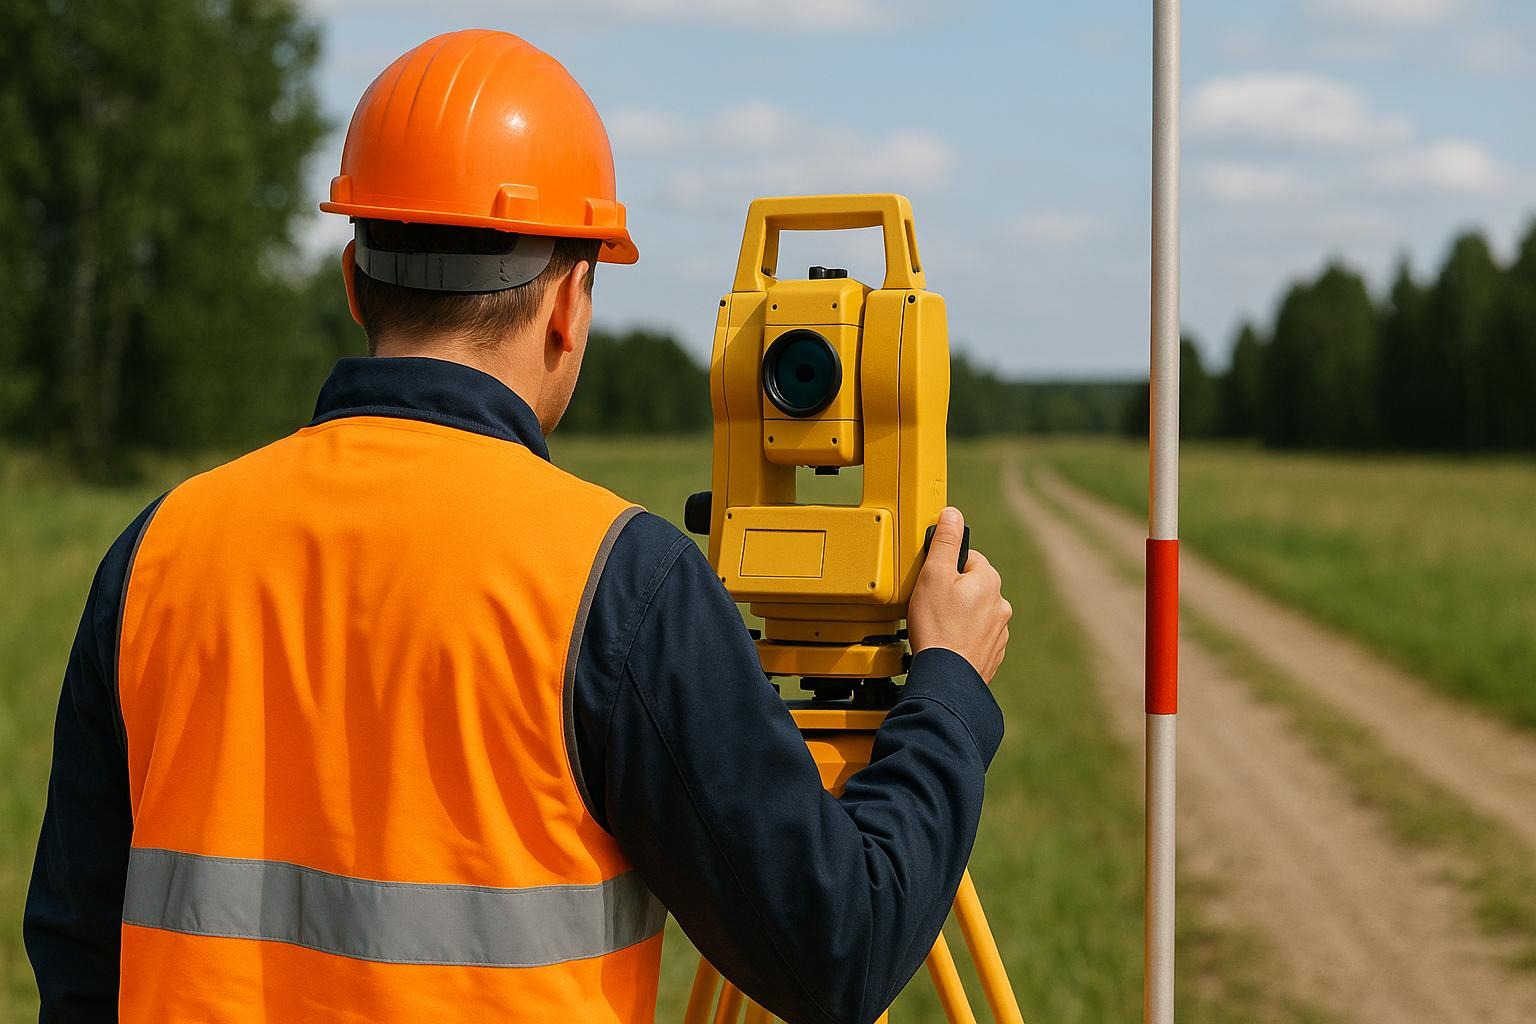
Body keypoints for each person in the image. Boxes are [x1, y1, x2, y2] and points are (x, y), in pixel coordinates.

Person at [24, 29, 1011, 1024]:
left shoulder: (155, 554)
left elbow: (75, 951)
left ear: (354, 280)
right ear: (570, 304)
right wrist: (950, 695)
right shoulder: (618, 587)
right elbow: (837, 945)